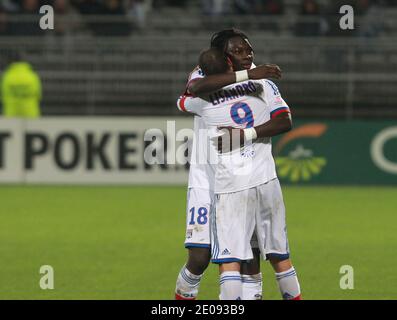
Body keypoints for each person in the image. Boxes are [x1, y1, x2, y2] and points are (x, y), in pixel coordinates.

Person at [177, 47, 301, 300]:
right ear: (227, 61)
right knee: (200, 258)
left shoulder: (259, 85)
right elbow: (195, 88)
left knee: (248, 257)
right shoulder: (206, 76)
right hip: (205, 181)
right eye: (239, 50)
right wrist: (250, 75)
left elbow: (184, 101)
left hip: (238, 179)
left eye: (249, 49)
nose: (248, 55)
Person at [1, 52, 42, 118]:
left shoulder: (7, 76)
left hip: (11, 113)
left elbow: (3, 95)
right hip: (31, 113)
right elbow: (38, 94)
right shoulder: (32, 75)